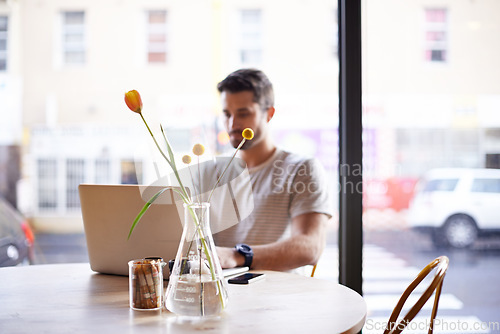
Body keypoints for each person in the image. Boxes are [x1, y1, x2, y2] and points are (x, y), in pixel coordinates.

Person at [213, 69, 333, 271]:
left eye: (243, 113)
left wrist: (237, 256)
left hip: (278, 298)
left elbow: (310, 247)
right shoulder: (212, 173)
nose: (232, 124)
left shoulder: (301, 169)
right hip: (217, 297)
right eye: (226, 114)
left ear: (269, 114)